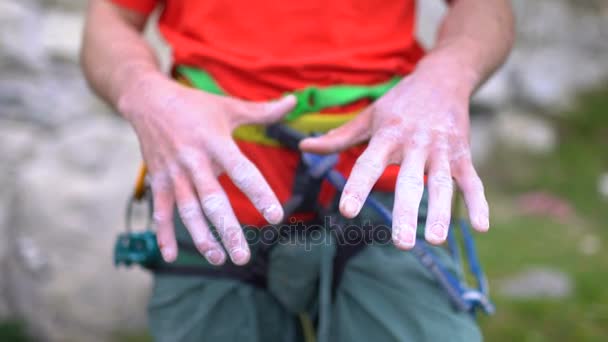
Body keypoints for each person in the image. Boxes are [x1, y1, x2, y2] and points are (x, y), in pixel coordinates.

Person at [81, 0, 514, 341]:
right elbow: (111, 18)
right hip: (212, 183)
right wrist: (141, 90)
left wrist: (449, 74)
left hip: (379, 181)